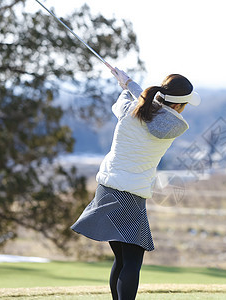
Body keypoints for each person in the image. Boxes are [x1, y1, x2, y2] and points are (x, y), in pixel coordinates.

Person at [71, 67, 201, 300]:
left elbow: (133, 102)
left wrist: (127, 85)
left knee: (122, 258)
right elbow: (155, 109)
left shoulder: (129, 108)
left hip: (106, 188)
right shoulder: (174, 125)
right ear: (180, 106)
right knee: (132, 260)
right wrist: (130, 84)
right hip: (130, 195)